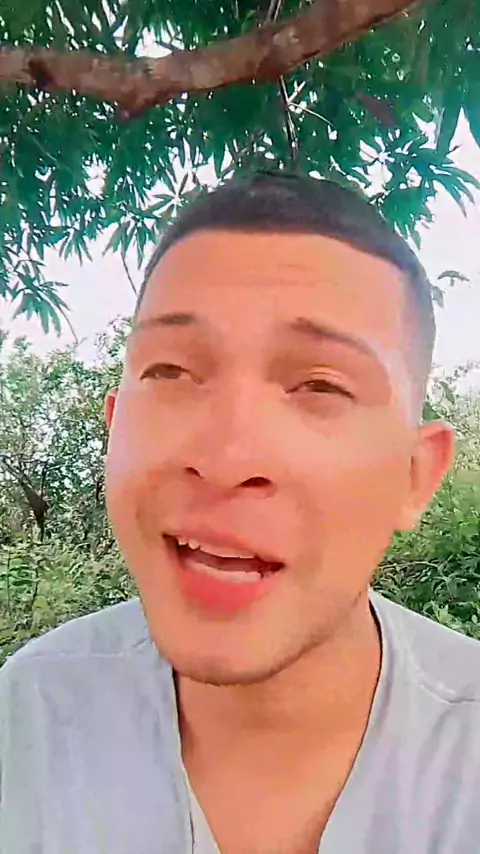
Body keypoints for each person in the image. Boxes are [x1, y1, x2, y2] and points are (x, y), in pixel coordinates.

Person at [1, 170, 479, 854]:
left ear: (415, 475)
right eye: (170, 372)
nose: (226, 460)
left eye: (319, 385)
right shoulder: (31, 721)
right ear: (114, 428)